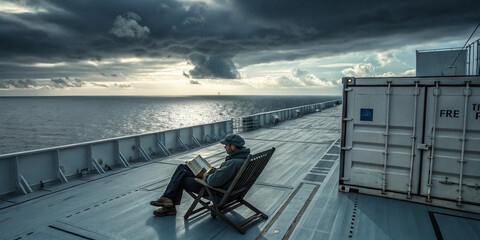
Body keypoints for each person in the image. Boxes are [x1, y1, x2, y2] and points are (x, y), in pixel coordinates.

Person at [150, 133, 251, 217]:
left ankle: (168, 203)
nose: (225, 147)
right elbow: (224, 174)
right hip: (230, 190)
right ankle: (167, 200)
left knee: (181, 177)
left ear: (233, 147)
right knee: (183, 168)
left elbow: (213, 182)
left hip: (215, 191)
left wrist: (205, 175)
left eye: (226, 145)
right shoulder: (243, 159)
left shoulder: (233, 163)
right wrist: (211, 171)